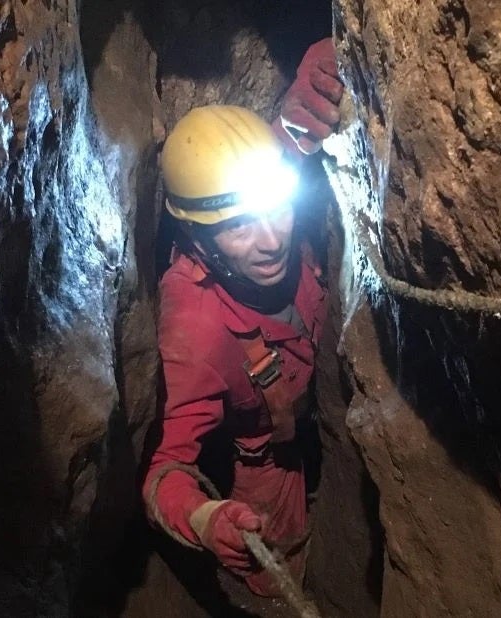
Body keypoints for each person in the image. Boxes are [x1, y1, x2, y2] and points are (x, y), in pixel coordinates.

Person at [142, 40, 343, 597]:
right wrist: (205, 519)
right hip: (266, 453)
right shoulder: (196, 326)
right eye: (239, 228)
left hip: (325, 385)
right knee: (274, 574)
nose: (273, 238)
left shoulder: (255, 184)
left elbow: (282, 144)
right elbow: (165, 471)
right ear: (198, 240)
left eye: (277, 207)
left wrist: (317, 84)